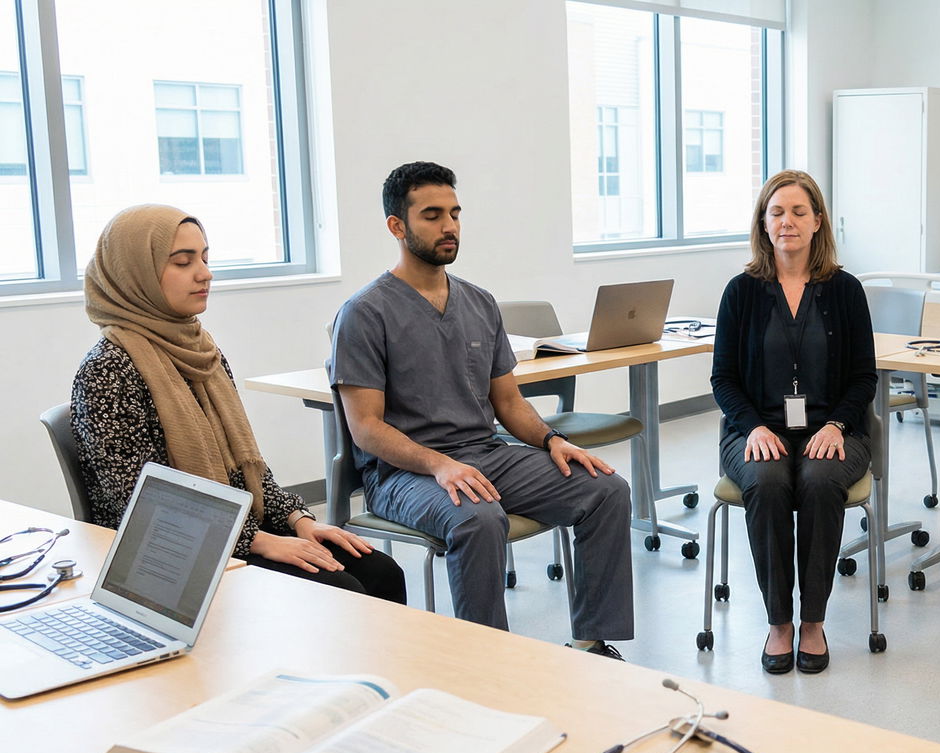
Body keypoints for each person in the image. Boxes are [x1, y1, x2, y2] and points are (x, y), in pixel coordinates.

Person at [330, 161, 633, 657]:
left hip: (485, 454)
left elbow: (508, 402)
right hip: (404, 474)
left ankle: (591, 644)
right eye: (432, 215)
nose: (449, 226)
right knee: (479, 519)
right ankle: (489, 661)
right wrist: (440, 465)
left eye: (454, 213)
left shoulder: (479, 302)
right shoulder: (364, 314)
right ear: (397, 226)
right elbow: (365, 428)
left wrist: (554, 441)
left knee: (605, 489)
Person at [72, 205, 405, 603]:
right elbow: (143, 502)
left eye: (205, 258)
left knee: (380, 571)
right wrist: (260, 541)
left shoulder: (201, 351)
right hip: (167, 549)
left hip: (232, 526)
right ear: (135, 274)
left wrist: (298, 519)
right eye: (183, 262)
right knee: (339, 591)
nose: (205, 273)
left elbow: (246, 470)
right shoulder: (108, 370)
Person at [710, 169, 876, 674]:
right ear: (763, 223)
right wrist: (753, 427)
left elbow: (863, 377)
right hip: (755, 430)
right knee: (767, 480)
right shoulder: (740, 292)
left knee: (821, 480)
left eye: (799, 212)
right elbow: (723, 379)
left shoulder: (846, 290)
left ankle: (813, 622)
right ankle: (779, 622)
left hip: (835, 429)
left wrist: (837, 425)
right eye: (777, 212)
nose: (788, 222)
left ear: (817, 221)